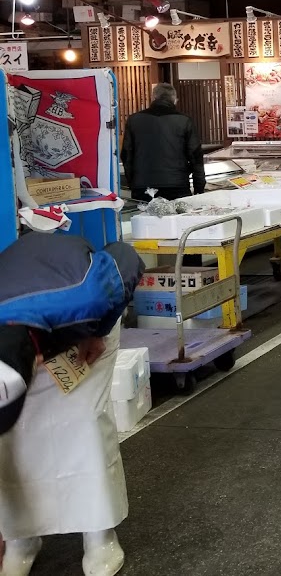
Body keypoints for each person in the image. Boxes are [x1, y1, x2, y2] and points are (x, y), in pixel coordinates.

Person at [0, 232, 144, 576]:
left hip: (84, 323)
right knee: (11, 442)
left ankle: (100, 538)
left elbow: (127, 257)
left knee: (84, 426)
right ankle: (20, 538)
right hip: (18, 331)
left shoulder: (88, 296)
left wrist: (100, 328)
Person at [121, 83, 204, 202]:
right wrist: (199, 189)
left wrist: (133, 182)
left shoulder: (134, 120)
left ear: (154, 97)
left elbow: (126, 155)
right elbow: (196, 157)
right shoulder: (184, 121)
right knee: (176, 220)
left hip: (143, 186)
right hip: (177, 185)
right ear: (174, 99)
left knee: (145, 219)